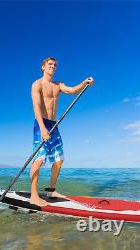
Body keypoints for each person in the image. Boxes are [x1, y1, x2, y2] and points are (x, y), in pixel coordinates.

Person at [30, 57, 94, 206]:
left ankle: (51, 190)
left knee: (59, 159)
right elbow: (36, 107)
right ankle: (34, 195)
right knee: (39, 159)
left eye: (54, 65)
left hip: (54, 124)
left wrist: (85, 82)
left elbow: (72, 90)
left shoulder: (58, 85)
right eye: (49, 64)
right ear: (43, 67)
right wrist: (42, 128)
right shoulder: (37, 84)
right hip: (42, 124)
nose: (52, 66)